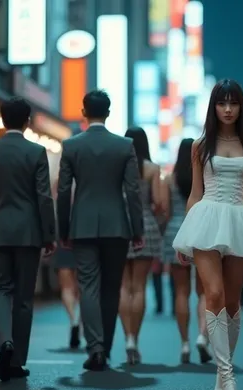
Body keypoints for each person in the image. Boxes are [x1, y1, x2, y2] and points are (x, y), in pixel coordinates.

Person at [172, 79, 243, 390]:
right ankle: (228, 377)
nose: (228, 109)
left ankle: (220, 373)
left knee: (232, 302)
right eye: (222, 103)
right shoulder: (200, 145)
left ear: (242, 107)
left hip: (240, 221)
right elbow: (195, 192)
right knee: (212, 294)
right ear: (213, 107)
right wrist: (184, 234)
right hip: (205, 219)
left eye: (233, 103)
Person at [57, 90, 144, 371]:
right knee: (111, 288)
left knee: (88, 287)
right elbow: (132, 191)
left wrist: (63, 228)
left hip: (82, 225)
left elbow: (62, 191)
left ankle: (93, 348)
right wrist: (137, 229)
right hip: (117, 226)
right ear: (109, 112)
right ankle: (105, 348)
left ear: (84, 112)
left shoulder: (71, 146)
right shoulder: (124, 146)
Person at [0, 97, 56, 381]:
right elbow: (44, 197)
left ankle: (4, 342)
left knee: (0, 290)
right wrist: (49, 234)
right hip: (28, 233)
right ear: (27, 121)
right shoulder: (36, 152)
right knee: (24, 297)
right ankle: (17, 359)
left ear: (2, 119)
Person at [161, 138, 212, 364]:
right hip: (202, 232)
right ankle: (203, 335)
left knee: (181, 291)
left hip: (175, 232)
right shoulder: (205, 177)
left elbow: (164, 208)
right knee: (204, 291)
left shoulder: (170, 180)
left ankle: (184, 344)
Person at [119, 126, 162, 365]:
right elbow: (157, 203)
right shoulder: (151, 169)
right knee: (139, 287)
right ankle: (136, 338)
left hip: (120, 226)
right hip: (146, 226)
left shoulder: (118, 166)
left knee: (123, 286)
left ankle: (127, 339)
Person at [51, 179, 81, 348]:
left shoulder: (58, 182)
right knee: (83, 286)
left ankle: (73, 319)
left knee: (67, 287)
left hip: (62, 233)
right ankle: (80, 322)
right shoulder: (85, 179)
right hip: (82, 232)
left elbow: (53, 204)